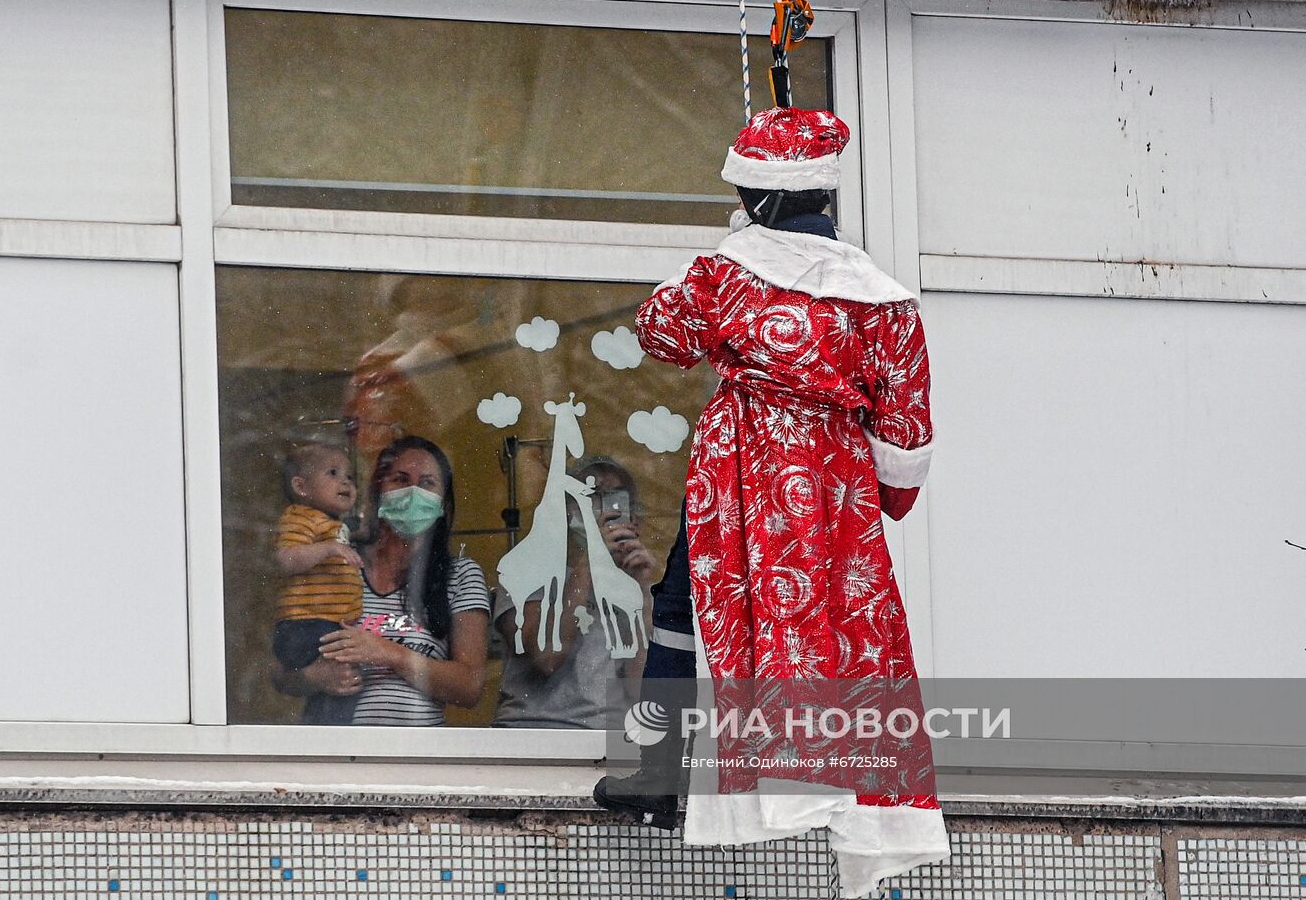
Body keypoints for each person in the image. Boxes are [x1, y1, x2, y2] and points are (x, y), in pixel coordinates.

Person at [596, 106, 950, 898]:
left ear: (755, 197)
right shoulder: (884, 301)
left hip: (741, 470)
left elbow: (661, 331)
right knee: (843, 621)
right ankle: (831, 777)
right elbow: (907, 437)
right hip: (836, 488)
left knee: (693, 603)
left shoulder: (728, 273)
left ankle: (659, 772)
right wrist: (878, 492)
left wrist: (731, 252)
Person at [281, 435, 491, 726]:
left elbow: (469, 687)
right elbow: (279, 672)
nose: (413, 492)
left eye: (427, 483)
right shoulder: (337, 561)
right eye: (400, 479)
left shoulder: (461, 576)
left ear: (443, 502)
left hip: (418, 758)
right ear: (378, 492)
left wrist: (387, 653)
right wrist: (311, 677)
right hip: (337, 757)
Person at [492, 456, 658, 730]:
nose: (604, 507)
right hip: (530, 734)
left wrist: (640, 590)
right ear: (565, 509)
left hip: (606, 739)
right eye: (592, 493)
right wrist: (590, 561)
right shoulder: (523, 570)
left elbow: (642, 692)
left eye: (615, 499)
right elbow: (546, 657)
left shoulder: (639, 591)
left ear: (633, 517)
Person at [270, 443, 366, 726]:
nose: (345, 482)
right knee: (336, 684)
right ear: (301, 487)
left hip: (329, 624)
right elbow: (286, 558)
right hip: (306, 625)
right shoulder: (299, 517)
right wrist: (327, 549)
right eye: (333, 473)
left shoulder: (331, 523)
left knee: (339, 688)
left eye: (350, 477)